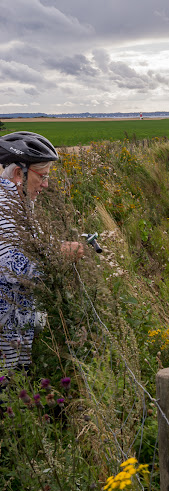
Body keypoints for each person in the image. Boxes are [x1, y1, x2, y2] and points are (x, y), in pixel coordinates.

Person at [0, 131, 84, 370]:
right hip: (6, 344)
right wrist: (59, 255)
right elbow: (14, 270)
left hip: (14, 334)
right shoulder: (4, 208)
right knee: (11, 399)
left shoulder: (17, 203)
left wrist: (57, 249)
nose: (46, 185)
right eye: (42, 176)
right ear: (19, 174)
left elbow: (32, 246)